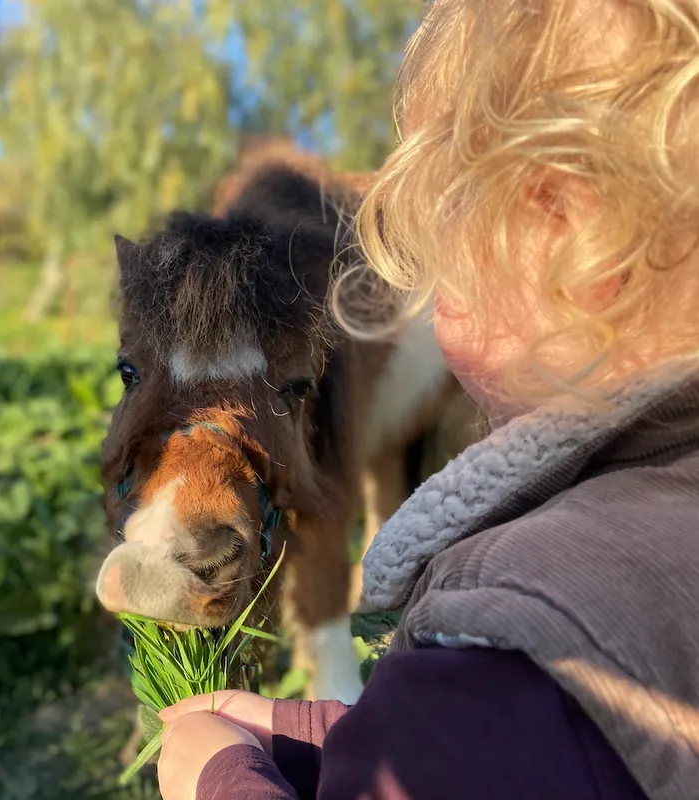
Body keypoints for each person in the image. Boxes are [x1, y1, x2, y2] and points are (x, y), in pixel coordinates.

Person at [153, 0, 699, 798]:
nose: (425, 289)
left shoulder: (512, 626)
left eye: (438, 244)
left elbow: (482, 734)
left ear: (565, 237)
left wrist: (220, 776)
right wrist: (350, 727)